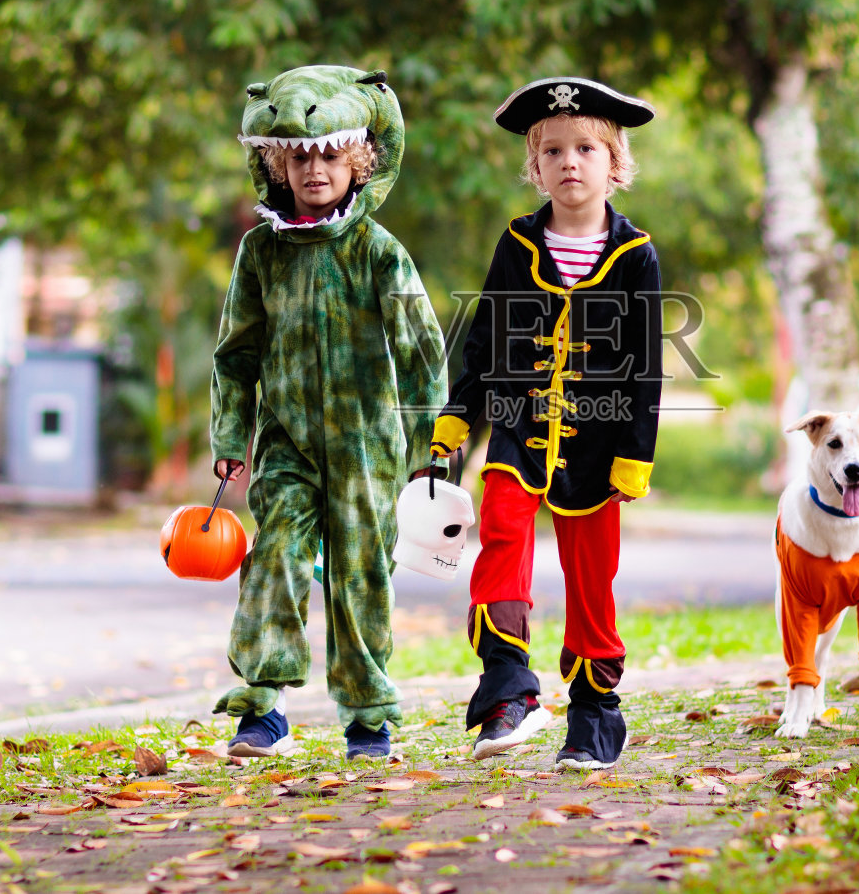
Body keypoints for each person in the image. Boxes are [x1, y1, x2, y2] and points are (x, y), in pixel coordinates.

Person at [210, 65, 445, 759]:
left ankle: (368, 715)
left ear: (359, 161)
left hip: (368, 443)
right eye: (299, 156)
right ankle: (262, 706)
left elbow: (422, 349)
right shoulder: (261, 252)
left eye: (330, 155)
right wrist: (230, 431)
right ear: (276, 163)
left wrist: (433, 439)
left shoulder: (377, 252)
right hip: (286, 440)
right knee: (274, 555)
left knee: (360, 571)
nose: (315, 169)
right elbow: (236, 350)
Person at [430, 77, 663, 770]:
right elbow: (483, 343)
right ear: (534, 166)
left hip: (600, 439)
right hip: (515, 425)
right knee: (501, 533)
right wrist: (454, 420)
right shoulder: (516, 244)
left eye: (586, 147)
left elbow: (645, 366)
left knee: (593, 574)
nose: (570, 161)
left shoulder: (637, 255)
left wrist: (635, 454)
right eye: (554, 150)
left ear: (614, 162)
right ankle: (508, 685)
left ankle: (595, 712)